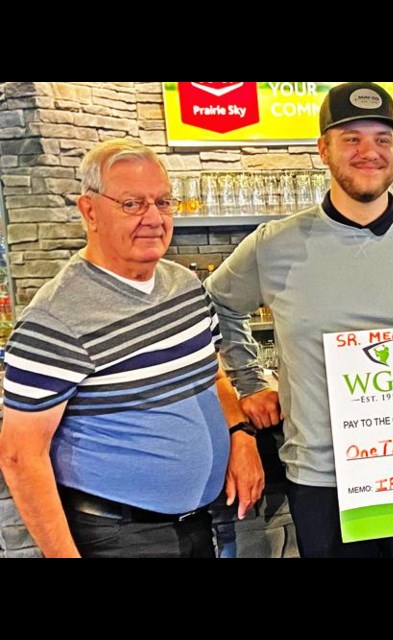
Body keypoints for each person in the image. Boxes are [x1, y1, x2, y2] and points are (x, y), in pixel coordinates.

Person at [205, 82, 393, 558]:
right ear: (324, 150)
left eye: (382, 139)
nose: (368, 151)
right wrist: (248, 384)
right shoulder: (274, 244)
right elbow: (213, 307)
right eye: (351, 138)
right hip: (321, 480)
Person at [0, 139, 264, 558]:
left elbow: (210, 374)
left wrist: (239, 434)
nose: (153, 218)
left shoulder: (186, 286)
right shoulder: (55, 319)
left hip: (203, 522)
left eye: (162, 202)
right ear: (89, 211)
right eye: (131, 204)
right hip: (119, 537)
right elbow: (19, 455)